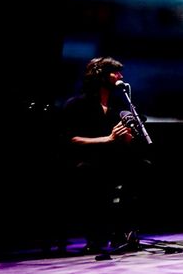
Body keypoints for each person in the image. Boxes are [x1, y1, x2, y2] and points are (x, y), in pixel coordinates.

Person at [62, 56, 152, 253]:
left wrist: (128, 138)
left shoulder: (118, 106)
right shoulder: (76, 105)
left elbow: (123, 141)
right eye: (115, 72)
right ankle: (95, 237)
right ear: (100, 76)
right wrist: (109, 139)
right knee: (93, 174)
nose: (120, 76)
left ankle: (123, 231)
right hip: (86, 160)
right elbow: (71, 140)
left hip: (113, 160)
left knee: (142, 167)